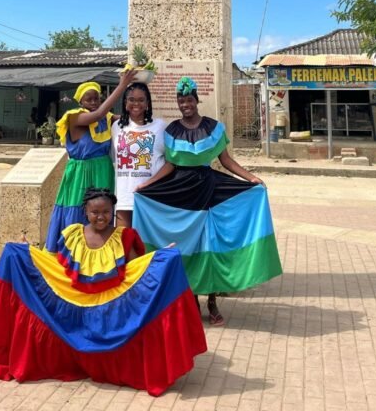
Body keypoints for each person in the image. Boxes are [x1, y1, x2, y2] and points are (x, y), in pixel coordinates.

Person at [0, 187, 207, 396]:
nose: (100, 217)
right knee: (14, 254)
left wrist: (161, 259)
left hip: (112, 304)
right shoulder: (72, 233)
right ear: (85, 211)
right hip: (72, 301)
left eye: (106, 212)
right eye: (95, 212)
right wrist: (27, 252)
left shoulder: (124, 236)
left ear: (112, 211)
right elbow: (54, 264)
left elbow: (138, 270)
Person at [133, 76, 282, 326]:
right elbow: (170, 165)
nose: (185, 104)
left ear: (196, 100)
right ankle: (191, 299)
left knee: (211, 246)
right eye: (181, 101)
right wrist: (146, 186)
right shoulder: (171, 131)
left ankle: (212, 301)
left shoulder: (213, 127)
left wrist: (251, 177)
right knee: (185, 246)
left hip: (209, 188)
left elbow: (226, 161)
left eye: (189, 100)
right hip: (180, 190)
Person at [44, 70, 137, 252]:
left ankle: (100, 251)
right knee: (79, 208)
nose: (94, 103)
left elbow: (130, 119)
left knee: (102, 211)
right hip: (81, 172)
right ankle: (72, 252)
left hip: (102, 170)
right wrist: (122, 85)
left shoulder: (106, 119)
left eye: (97, 99)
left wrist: (136, 99)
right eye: (89, 99)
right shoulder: (75, 117)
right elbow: (98, 114)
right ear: (80, 102)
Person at [111, 82, 166, 227]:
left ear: (148, 103)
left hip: (150, 195)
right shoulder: (116, 126)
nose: (136, 103)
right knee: (124, 242)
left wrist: (149, 183)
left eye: (141, 100)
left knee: (147, 244)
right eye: (131, 99)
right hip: (124, 197)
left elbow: (171, 163)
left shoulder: (160, 126)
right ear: (125, 102)